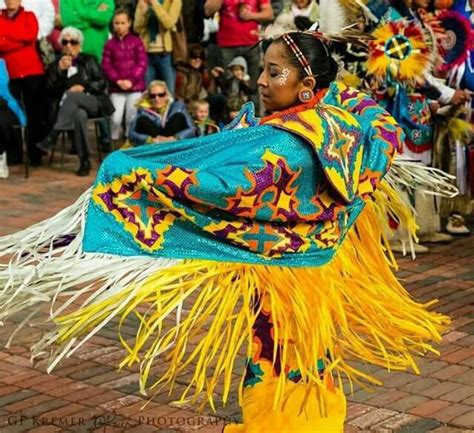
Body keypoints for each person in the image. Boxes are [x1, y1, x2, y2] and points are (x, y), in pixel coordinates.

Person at [38, 27, 114, 176]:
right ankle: (84, 160)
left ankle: (53, 134)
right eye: (65, 42)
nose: (69, 46)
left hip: (93, 101)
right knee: (79, 115)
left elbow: (102, 83)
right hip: (69, 109)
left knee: (73, 96)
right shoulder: (56, 64)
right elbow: (49, 91)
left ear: (80, 44)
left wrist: (84, 86)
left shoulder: (89, 60)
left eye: (73, 42)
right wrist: (59, 72)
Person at [0, 0, 46, 166]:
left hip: (32, 71)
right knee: (13, 112)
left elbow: (31, 35)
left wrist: (7, 38)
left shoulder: (29, 16)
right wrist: (19, 41)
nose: (11, 1)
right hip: (10, 73)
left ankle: (35, 153)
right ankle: (16, 152)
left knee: (34, 113)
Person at [204, 0, 274, 104]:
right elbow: (207, 11)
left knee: (253, 85)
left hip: (251, 44)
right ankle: (230, 116)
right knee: (228, 85)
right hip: (226, 45)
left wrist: (251, 15)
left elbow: (269, 14)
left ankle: (254, 117)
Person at [102, 8, 148, 144]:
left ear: (129, 23)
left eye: (123, 23)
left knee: (131, 118)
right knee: (115, 118)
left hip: (135, 87)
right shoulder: (109, 44)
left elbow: (142, 62)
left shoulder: (136, 41)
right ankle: (114, 144)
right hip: (116, 88)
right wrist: (117, 80)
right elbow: (106, 65)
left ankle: (129, 144)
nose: (119, 26)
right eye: (116, 23)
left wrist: (131, 80)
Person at [134, 0, 182, 94]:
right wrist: (144, 12)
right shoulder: (143, 1)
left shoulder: (174, 1)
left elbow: (168, 23)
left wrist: (155, 4)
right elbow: (137, 27)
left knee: (169, 94)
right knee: (148, 94)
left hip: (165, 55)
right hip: (147, 54)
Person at [128, 80, 195, 145]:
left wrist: (175, 138)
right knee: (143, 120)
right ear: (148, 97)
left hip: (174, 143)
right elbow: (131, 133)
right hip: (154, 144)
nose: (157, 98)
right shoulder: (142, 110)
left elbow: (192, 129)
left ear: (166, 95)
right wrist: (150, 140)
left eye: (161, 95)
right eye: (152, 96)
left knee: (178, 117)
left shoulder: (178, 106)